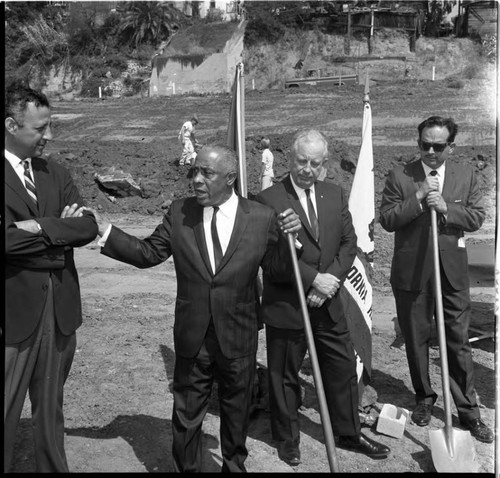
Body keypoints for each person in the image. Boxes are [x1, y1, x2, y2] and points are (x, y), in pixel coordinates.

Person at [92, 144, 302, 472]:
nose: (197, 180)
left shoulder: (261, 218)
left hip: (239, 332)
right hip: (193, 333)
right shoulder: (180, 212)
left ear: (231, 177)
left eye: (208, 173)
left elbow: (277, 271)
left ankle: (234, 466)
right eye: (195, 171)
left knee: (236, 410)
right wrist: (106, 230)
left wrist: (292, 243)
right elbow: (149, 253)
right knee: (187, 413)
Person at [256, 129, 390, 466]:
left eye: (315, 163)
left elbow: (349, 243)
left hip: (328, 303)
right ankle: (287, 439)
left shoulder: (334, 193)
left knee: (342, 367)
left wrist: (330, 280)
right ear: (290, 159)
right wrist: (315, 279)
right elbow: (269, 259)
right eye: (302, 161)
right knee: (284, 374)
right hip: (288, 306)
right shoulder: (268, 200)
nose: (307, 169)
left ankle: (348, 431)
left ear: (323, 164)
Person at [379, 116, 493, 443]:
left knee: (457, 341)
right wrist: (416, 199)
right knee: (416, 340)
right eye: (425, 144)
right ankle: (424, 398)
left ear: (450, 146)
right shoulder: (401, 175)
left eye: (438, 146)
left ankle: (469, 412)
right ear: (418, 143)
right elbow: (387, 219)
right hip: (412, 272)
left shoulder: (465, 174)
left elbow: (476, 217)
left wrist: (445, 208)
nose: (430, 151)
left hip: (451, 272)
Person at [4, 83, 98, 472]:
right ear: (11, 124)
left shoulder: (56, 173)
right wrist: (59, 231)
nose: (49, 136)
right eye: (40, 128)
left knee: (50, 411)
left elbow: (88, 227)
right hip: (12, 315)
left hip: (58, 313)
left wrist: (37, 227)